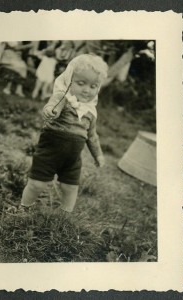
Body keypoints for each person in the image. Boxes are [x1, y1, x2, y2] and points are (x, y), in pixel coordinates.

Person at [20, 54, 108, 213]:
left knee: (70, 188)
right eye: (81, 83)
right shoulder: (63, 97)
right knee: (37, 184)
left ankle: (64, 216)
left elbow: (92, 136)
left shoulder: (91, 111)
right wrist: (50, 111)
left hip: (72, 159)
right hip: (50, 151)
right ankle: (24, 208)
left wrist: (98, 155)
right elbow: (53, 106)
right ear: (69, 80)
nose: (87, 90)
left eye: (93, 86)